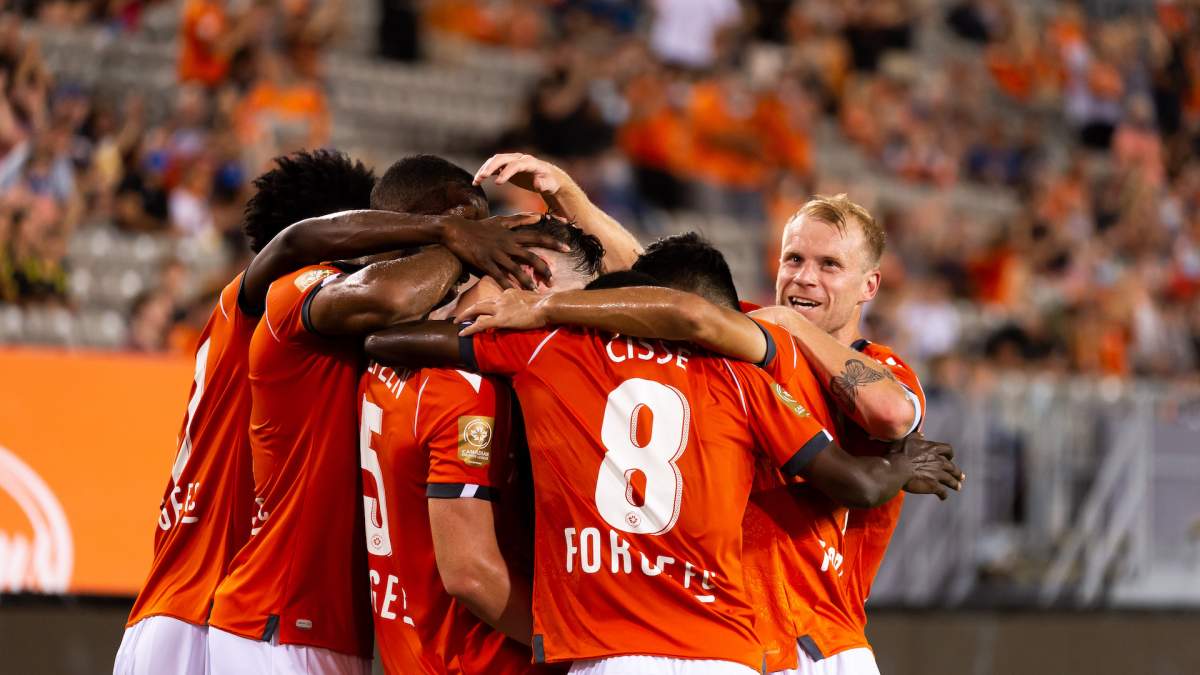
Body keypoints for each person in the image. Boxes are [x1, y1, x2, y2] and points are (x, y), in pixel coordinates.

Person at [360, 270, 956, 674]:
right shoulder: (743, 377)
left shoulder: (559, 349)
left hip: (608, 649)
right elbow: (858, 482)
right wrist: (900, 465)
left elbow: (405, 341)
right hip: (729, 651)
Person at [114, 149, 558, 675]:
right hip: (231, 607)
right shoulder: (284, 293)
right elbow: (318, 254)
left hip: (225, 601)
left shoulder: (299, 326)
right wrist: (457, 236)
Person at [464, 196, 934, 674]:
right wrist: (567, 194)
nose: (804, 277)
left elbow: (893, 414)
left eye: (829, 265)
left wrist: (786, 322)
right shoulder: (740, 330)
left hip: (817, 641)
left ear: (869, 285)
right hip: (731, 640)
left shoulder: (877, 366)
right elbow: (655, 283)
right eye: (793, 259)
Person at [359, 216, 603, 674]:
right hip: (480, 662)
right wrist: (574, 645)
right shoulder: (470, 390)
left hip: (408, 651)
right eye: (567, 308)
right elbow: (471, 575)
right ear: (534, 278)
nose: (567, 330)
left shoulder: (390, 362)